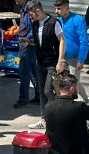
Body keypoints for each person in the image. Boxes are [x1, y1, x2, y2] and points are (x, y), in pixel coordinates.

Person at [27, 1, 64, 130]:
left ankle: (57, 117)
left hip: (52, 62)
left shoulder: (54, 23)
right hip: (40, 62)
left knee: (48, 90)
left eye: (32, 14)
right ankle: (44, 119)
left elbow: (62, 40)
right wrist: (29, 42)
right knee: (42, 91)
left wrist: (60, 61)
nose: (31, 17)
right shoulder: (35, 24)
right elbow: (40, 40)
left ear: (38, 11)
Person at [54, 0, 89, 105]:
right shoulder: (57, 21)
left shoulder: (77, 20)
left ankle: (87, 101)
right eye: (56, 8)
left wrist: (81, 59)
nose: (56, 11)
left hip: (74, 57)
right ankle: (63, 103)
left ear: (67, 8)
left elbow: (84, 41)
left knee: (74, 83)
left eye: (59, 9)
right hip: (61, 57)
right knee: (60, 82)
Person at [13, 0, 40, 109]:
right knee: (32, 71)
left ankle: (23, 98)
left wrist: (27, 40)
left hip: (27, 44)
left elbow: (33, 27)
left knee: (24, 72)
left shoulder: (28, 8)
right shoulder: (24, 7)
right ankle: (39, 95)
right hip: (28, 43)